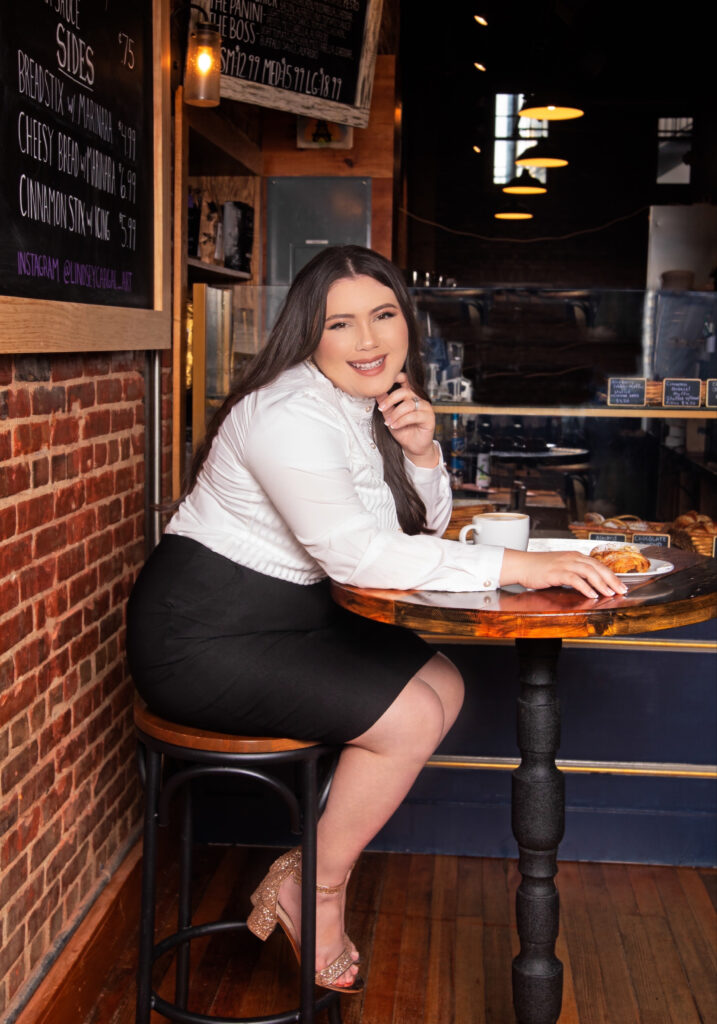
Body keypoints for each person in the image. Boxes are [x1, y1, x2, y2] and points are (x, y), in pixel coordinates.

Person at [126, 245, 625, 994]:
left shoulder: (363, 405)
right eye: (341, 324)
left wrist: (421, 451)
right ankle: (314, 889)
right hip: (202, 635)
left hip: (287, 617)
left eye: (383, 315)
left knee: (442, 686)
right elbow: (360, 557)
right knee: (408, 718)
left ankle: (312, 859)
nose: (368, 340)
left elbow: (412, 539)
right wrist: (520, 568)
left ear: (405, 321)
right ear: (308, 333)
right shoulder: (288, 413)